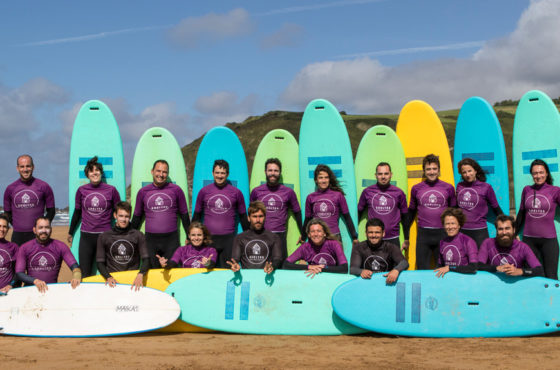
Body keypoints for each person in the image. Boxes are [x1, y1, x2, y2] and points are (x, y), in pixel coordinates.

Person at [67, 156, 121, 277]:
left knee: (108, 273)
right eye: (91, 171)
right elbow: (77, 212)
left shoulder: (111, 190)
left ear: (101, 173)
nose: (94, 173)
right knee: (85, 273)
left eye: (97, 170)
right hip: (87, 237)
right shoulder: (81, 190)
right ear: (87, 174)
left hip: (105, 236)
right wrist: (71, 232)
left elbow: (118, 212)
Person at [131, 159, 190, 269]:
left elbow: (184, 216)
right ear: (152, 171)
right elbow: (137, 218)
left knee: (171, 271)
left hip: (171, 240)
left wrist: (189, 236)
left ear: (167, 174)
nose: (161, 175)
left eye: (164, 172)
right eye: (158, 171)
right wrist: (128, 237)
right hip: (150, 241)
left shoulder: (176, 190)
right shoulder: (143, 192)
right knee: (151, 272)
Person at [192, 159, 249, 268]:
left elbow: (243, 218)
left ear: (227, 174)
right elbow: (196, 216)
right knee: (207, 269)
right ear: (213, 173)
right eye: (217, 172)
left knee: (226, 271)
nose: (219, 176)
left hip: (229, 240)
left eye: (223, 173)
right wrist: (190, 237)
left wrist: (249, 236)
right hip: (209, 239)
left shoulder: (236, 193)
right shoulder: (204, 192)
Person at [408, 154, 456, 269]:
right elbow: (411, 213)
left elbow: (454, 213)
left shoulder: (448, 188)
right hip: (423, 235)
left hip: (443, 234)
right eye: (428, 169)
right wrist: (405, 235)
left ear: (439, 170)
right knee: (422, 269)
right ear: (424, 171)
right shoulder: (416, 188)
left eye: (434, 169)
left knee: (443, 269)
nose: (431, 172)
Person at [514, 159, 560, 279]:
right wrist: (514, 232)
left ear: (546, 173)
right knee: (530, 275)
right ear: (531, 174)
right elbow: (521, 213)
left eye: (541, 172)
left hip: (549, 241)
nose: (538, 176)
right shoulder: (527, 190)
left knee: (551, 276)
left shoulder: (555, 191)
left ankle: (553, 298)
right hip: (529, 241)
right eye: (535, 173)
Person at [250, 158, 304, 259]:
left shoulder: (289, 192)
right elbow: (251, 215)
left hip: (280, 236)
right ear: (265, 172)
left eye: (276, 171)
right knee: (260, 267)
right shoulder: (256, 191)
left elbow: (297, 213)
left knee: (281, 267)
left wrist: (303, 233)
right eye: (270, 170)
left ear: (280, 172)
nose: (273, 173)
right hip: (260, 234)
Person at [15, 217, 81, 293]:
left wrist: (76, 277)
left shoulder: (60, 246)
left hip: (51, 291)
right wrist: (35, 281)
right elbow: (19, 273)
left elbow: (75, 267)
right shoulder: (25, 248)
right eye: (40, 227)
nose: (44, 231)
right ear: (34, 230)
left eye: (47, 227)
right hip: (31, 290)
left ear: (51, 229)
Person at [3, 155, 55, 246]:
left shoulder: (44, 186)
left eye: (28, 166)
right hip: (17, 236)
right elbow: (7, 213)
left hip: (37, 235)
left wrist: (42, 227)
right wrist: (17, 225)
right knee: (18, 260)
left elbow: (51, 211)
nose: (25, 169)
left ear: (33, 167)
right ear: (17, 168)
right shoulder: (10, 189)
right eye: (22, 166)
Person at [97, 201, 149, 291]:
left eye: (127, 216)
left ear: (130, 217)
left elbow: (146, 259)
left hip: (132, 280)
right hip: (113, 281)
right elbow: (99, 262)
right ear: (115, 215)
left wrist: (140, 274)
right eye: (121, 216)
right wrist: (108, 277)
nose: (124, 220)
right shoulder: (104, 236)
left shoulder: (138, 235)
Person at [302, 164, 358, 247]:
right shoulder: (310, 197)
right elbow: (307, 219)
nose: (324, 180)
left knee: (339, 260)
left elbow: (347, 217)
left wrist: (354, 237)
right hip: (317, 237)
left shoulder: (338, 195)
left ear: (329, 179)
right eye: (321, 178)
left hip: (334, 236)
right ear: (316, 180)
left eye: (326, 177)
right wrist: (303, 237)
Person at [358, 162, 410, 249]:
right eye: (380, 174)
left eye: (386, 174)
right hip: (374, 239)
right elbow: (358, 214)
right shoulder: (367, 192)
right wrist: (354, 237)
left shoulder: (399, 193)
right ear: (375, 175)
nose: (383, 177)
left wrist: (406, 239)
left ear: (391, 175)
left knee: (395, 263)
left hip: (393, 239)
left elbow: (405, 217)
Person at [456, 158, 503, 247]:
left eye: (470, 171)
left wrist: (508, 226)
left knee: (482, 260)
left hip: (479, 232)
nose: (467, 175)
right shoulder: (459, 186)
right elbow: (455, 208)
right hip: (462, 231)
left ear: (475, 171)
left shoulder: (486, 187)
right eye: (464, 172)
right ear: (461, 174)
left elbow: (496, 208)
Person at [478, 215, 543, 277]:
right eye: (500, 229)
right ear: (496, 231)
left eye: (507, 228)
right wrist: (497, 268)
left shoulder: (523, 247)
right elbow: (478, 265)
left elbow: (539, 270)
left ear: (514, 230)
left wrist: (520, 271)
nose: (504, 232)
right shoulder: (488, 243)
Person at [227, 201, 282, 274]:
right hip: (247, 279)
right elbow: (235, 259)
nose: (258, 220)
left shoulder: (274, 237)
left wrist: (272, 266)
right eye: (254, 216)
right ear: (249, 218)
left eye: (261, 216)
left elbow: (277, 259)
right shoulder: (240, 238)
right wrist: (235, 265)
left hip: (267, 277)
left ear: (265, 217)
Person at [350, 218, 408, 284]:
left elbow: (404, 262)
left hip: (386, 284)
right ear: (366, 233)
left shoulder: (391, 247)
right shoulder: (359, 247)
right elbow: (353, 269)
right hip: (367, 284)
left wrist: (396, 270)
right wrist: (361, 271)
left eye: (377, 232)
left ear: (383, 233)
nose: (374, 235)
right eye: (370, 232)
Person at [283, 218, 348, 277]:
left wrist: (321, 268)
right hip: (314, 280)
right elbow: (286, 264)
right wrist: (309, 267)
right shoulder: (305, 247)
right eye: (312, 231)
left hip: (332, 279)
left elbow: (344, 268)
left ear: (324, 233)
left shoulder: (334, 244)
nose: (316, 234)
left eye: (319, 231)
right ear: (309, 234)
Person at [434, 208, 478, 277]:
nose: (450, 227)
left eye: (453, 223)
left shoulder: (468, 241)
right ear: (444, 226)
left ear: (459, 225)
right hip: (448, 282)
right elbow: (439, 266)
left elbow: (473, 267)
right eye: (447, 224)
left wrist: (450, 268)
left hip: (465, 283)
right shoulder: (442, 242)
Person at [0, 214, 19, 293]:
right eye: (0, 226)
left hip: (7, 292)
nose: (2, 229)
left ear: (8, 229)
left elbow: (19, 271)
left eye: (4, 227)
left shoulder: (13, 247)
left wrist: (11, 285)